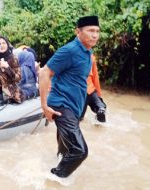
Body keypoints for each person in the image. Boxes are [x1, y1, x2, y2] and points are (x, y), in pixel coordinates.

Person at [39, 16, 100, 178]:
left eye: (97, 31)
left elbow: (82, 82)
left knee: (66, 150)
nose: (95, 35)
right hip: (61, 106)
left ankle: (57, 164)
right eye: (90, 31)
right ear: (78, 32)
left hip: (74, 108)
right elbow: (44, 72)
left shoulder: (88, 52)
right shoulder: (70, 50)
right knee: (79, 151)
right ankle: (53, 180)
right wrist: (44, 106)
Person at [0, 36, 23, 103]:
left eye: (4, 43)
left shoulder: (13, 58)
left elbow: (18, 78)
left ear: (7, 45)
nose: (2, 45)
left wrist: (7, 68)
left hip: (12, 94)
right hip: (1, 91)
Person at [80, 54, 107, 122]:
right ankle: (100, 108)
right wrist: (99, 96)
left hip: (80, 92)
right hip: (91, 90)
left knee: (79, 118)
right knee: (101, 108)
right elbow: (95, 78)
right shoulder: (91, 57)